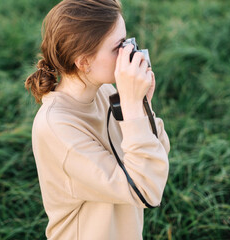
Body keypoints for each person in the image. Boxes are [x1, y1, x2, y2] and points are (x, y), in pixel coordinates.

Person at [25, 0, 170, 239]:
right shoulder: (56, 127)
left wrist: (143, 106)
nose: (130, 53)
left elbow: (158, 157)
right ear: (83, 62)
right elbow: (146, 190)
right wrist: (133, 107)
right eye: (118, 48)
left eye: (128, 42)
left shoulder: (104, 93)